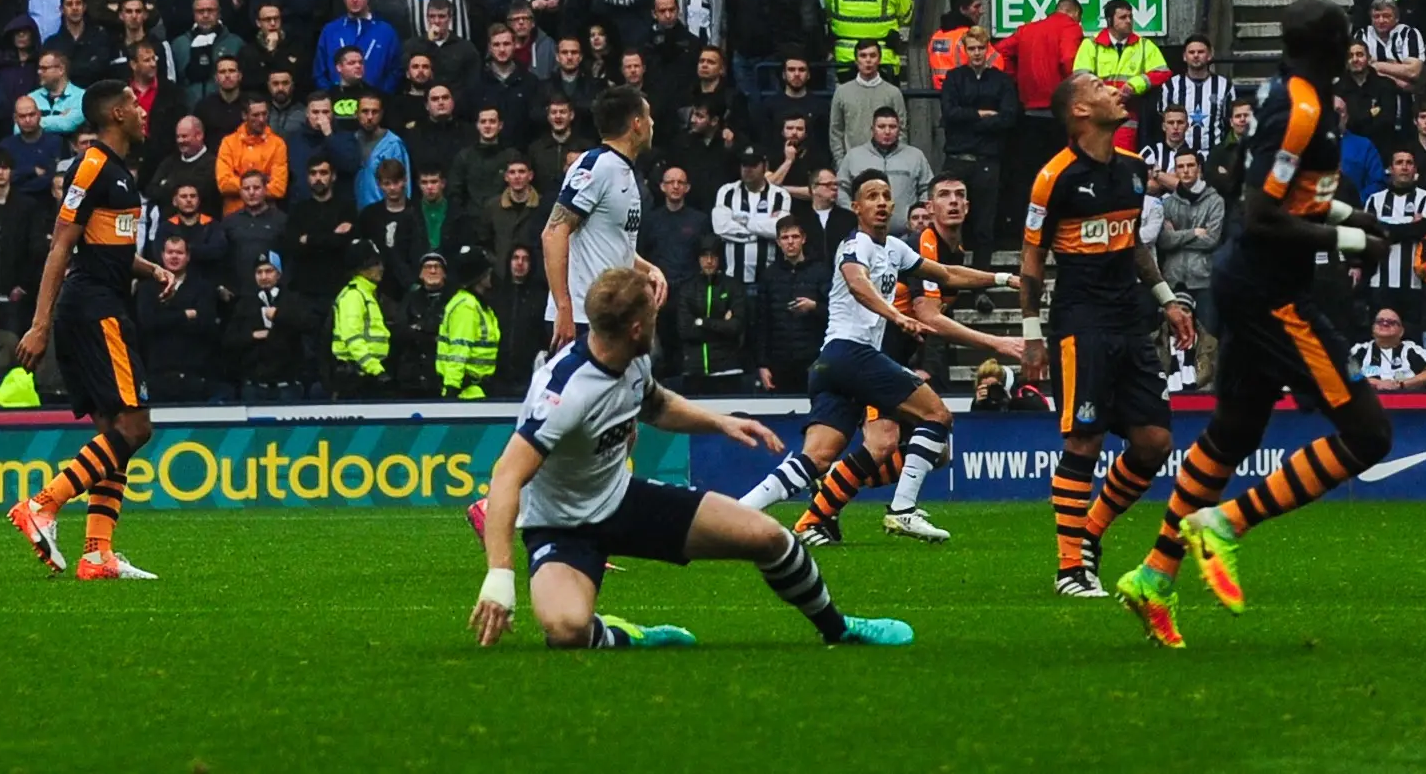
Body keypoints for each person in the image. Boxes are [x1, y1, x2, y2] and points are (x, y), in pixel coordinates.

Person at [1121, 0, 1393, 647]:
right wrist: (1349, 244)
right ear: (1329, 45)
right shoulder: (1300, 107)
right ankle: (1225, 522)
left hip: (1253, 282)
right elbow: (1259, 215)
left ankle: (1154, 575)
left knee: (1234, 431)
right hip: (1271, 292)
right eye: (1346, 38)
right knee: (1368, 432)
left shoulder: (1291, 95)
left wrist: (1348, 219)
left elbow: (1290, 199)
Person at [469, 261, 912, 652]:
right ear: (636, 328)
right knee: (566, 631)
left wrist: (720, 422)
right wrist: (500, 577)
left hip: (622, 501)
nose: (659, 323)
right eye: (653, 317)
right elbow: (507, 475)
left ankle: (839, 629)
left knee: (771, 538)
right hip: (561, 525)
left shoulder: (630, 355)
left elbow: (656, 404)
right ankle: (629, 636)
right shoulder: (564, 391)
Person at [733, 171, 1017, 542]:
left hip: (831, 364)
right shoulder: (856, 244)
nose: (881, 202)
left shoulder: (894, 249)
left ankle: (738, 514)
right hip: (852, 354)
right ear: (856, 207)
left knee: (820, 456)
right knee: (937, 416)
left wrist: (1001, 279)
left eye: (886, 195)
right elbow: (856, 282)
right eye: (872, 196)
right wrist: (897, 316)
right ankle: (903, 509)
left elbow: (947, 273)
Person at [1020, 72, 1179, 606]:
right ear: (1081, 112)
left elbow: (1134, 244)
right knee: (1083, 440)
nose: (1115, 88)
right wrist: (1031, 334)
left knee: (1154, 442)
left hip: (1130, 322)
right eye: (1098, 86)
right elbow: (1031, 260)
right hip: (1080, 322)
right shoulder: (1054, 178)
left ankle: (1089, 533)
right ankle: (1070, 568)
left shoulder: (1135, 172)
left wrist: (1166, 299)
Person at [4, 86, 168, 581]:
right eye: (135, 106)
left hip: (103, 300)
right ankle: (42, 504)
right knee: (136, 427)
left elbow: (108, 249)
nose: (143, 113)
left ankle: (98, 554)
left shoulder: (119, 173)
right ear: (116, 114)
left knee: (114, 431)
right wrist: (38, 324)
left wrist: (150, 270)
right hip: (95, 309)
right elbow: (62, 245)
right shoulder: (92, 165)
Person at [543, 85, 650, 347]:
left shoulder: (623, 170)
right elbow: (554, 232)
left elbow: (608, 241)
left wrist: (648, 270)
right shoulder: (595, 165)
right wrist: (564, 308)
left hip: (612, 316)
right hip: (582, 319)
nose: (652, 124)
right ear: (637, 123)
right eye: (649, 117)